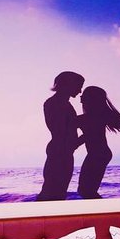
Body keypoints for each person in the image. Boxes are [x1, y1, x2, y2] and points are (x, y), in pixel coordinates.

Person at [77, 86, 120, 199]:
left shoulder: (90, 118)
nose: (81, 99)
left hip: (98, 154)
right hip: (100, 154)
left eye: (83, 97)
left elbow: (88, 135)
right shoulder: (94, 117)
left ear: (91, 100)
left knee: (86, 190)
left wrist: (73, 144)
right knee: (87, 190)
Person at [36, 71, 85, 201]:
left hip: (62, 152)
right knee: (53, 192)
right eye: (78, 86)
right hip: (60, 153)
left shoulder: (62, 104)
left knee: (56, 191)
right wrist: (86, 135)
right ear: (69, 84)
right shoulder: (55, 104)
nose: (80, 91)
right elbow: (61, 132)